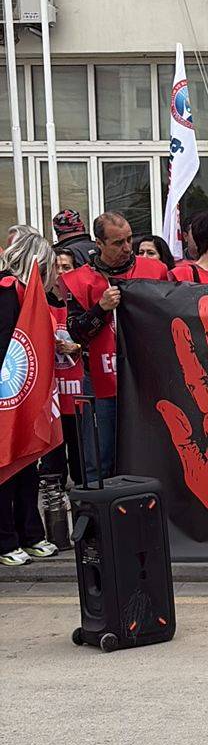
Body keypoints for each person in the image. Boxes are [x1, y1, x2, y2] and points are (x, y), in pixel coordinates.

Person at [62, 213, 170, 479]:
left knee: (152, 455)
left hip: (147, 378)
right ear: (99, 243)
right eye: (118, 242)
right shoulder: (79, 280)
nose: (126, 248)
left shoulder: (155, 271)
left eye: (129, 240)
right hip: (102, 380)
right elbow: (77, 333)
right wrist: (101, 309)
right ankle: (97, 518)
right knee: (98, 459)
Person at [0, 227, 62, 564]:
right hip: (7, 398)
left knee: (26, 466)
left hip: (23, 397)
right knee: (6, 470)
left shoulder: (31, 298)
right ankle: (6, 541)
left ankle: (31, 534)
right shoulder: (6, 293)